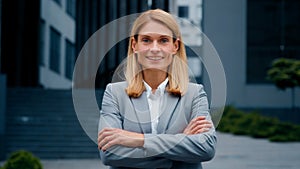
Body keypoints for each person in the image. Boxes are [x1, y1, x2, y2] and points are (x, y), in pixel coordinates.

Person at [97, 9, 216, 169]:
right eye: (146, 40)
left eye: (163, 40)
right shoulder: (114, 93)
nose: (154, 48)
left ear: (175, 46)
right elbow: (109, 152)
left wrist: (140, 140)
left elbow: (206, 148)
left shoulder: (194, 93)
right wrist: (179, 146)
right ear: (134, 45)